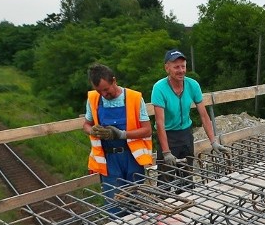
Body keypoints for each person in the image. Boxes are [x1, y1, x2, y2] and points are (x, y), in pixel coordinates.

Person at [151, 49, 226, 193]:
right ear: (167, 68)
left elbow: (204, 115)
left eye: (183, 66)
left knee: (186, 178)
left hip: (185, 135)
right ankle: (164, 211)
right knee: (165, 179)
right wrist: (166, 152)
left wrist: (213, 141)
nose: (181, 70)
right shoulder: (159, 88)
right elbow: (160, 123)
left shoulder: (192, 85)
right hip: (168, 135)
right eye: (176, 67)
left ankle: (185, 208)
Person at [83, 63, 153, 215]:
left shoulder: (134, 98)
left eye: (106, 89)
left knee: (135, 201)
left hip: (131, 157)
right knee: (114, 204)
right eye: (99, 91)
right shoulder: (93, 99)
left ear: (114, 80)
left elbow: (147, 129)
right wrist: (92, 130)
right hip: (109, 160)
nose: (103, 94)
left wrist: (122, 134)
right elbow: (86, 125)